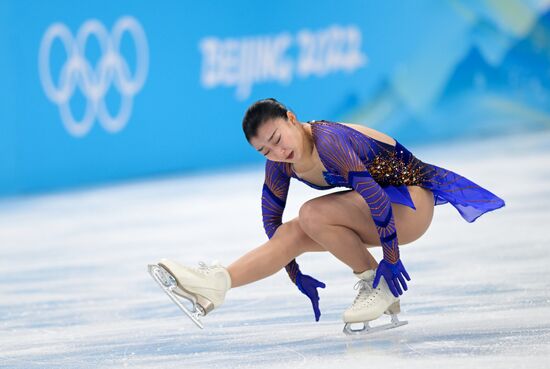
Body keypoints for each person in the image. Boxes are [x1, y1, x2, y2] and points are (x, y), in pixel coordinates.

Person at [152, 98, 505, 331]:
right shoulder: (281, 164)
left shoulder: (330, 143)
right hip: (379, 206)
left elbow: (378, 203)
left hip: (411, 203)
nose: (277, 152)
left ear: (292, 118)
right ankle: (218, 283)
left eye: (277, 138)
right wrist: (293, 271)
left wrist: (390, 263)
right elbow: (272, 225)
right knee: (295, 232)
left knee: (312, 214)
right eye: (265, 151)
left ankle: (378, 286)